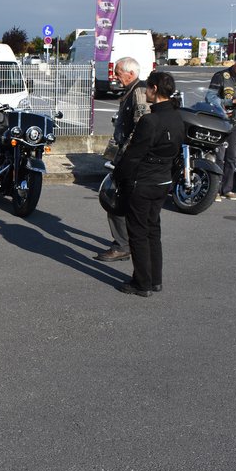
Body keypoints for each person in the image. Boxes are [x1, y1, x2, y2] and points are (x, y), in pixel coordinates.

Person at [113, 70, 185, 297]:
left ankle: (141, 283)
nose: (145, 92)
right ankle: (155, 279)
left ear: (154, 88)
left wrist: (118, 176)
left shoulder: (150, 120)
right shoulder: (178, 117)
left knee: (138, 233)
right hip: (163, 180)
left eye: (148, 88)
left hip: (143, 181)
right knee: (153, 230)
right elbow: (178, 153)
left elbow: (134, 155)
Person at [95, 57, 149, 262]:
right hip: (126, 155)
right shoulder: (131, 90)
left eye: (118, 73)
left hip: (131, 158)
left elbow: (141, 125)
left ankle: (122, 245)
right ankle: (125, 242)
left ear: (131, 73)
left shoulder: (139, 92)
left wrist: (126, 154)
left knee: (114, 199)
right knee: (120, 199)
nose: (115, 76)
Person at [206, 53, 236, 201]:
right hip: (221, 121)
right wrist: (232, 101)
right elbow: (210, 98)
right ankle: (214, 190)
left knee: (232, 157)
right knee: (219, 157)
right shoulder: (221, 76)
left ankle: (227, 189)